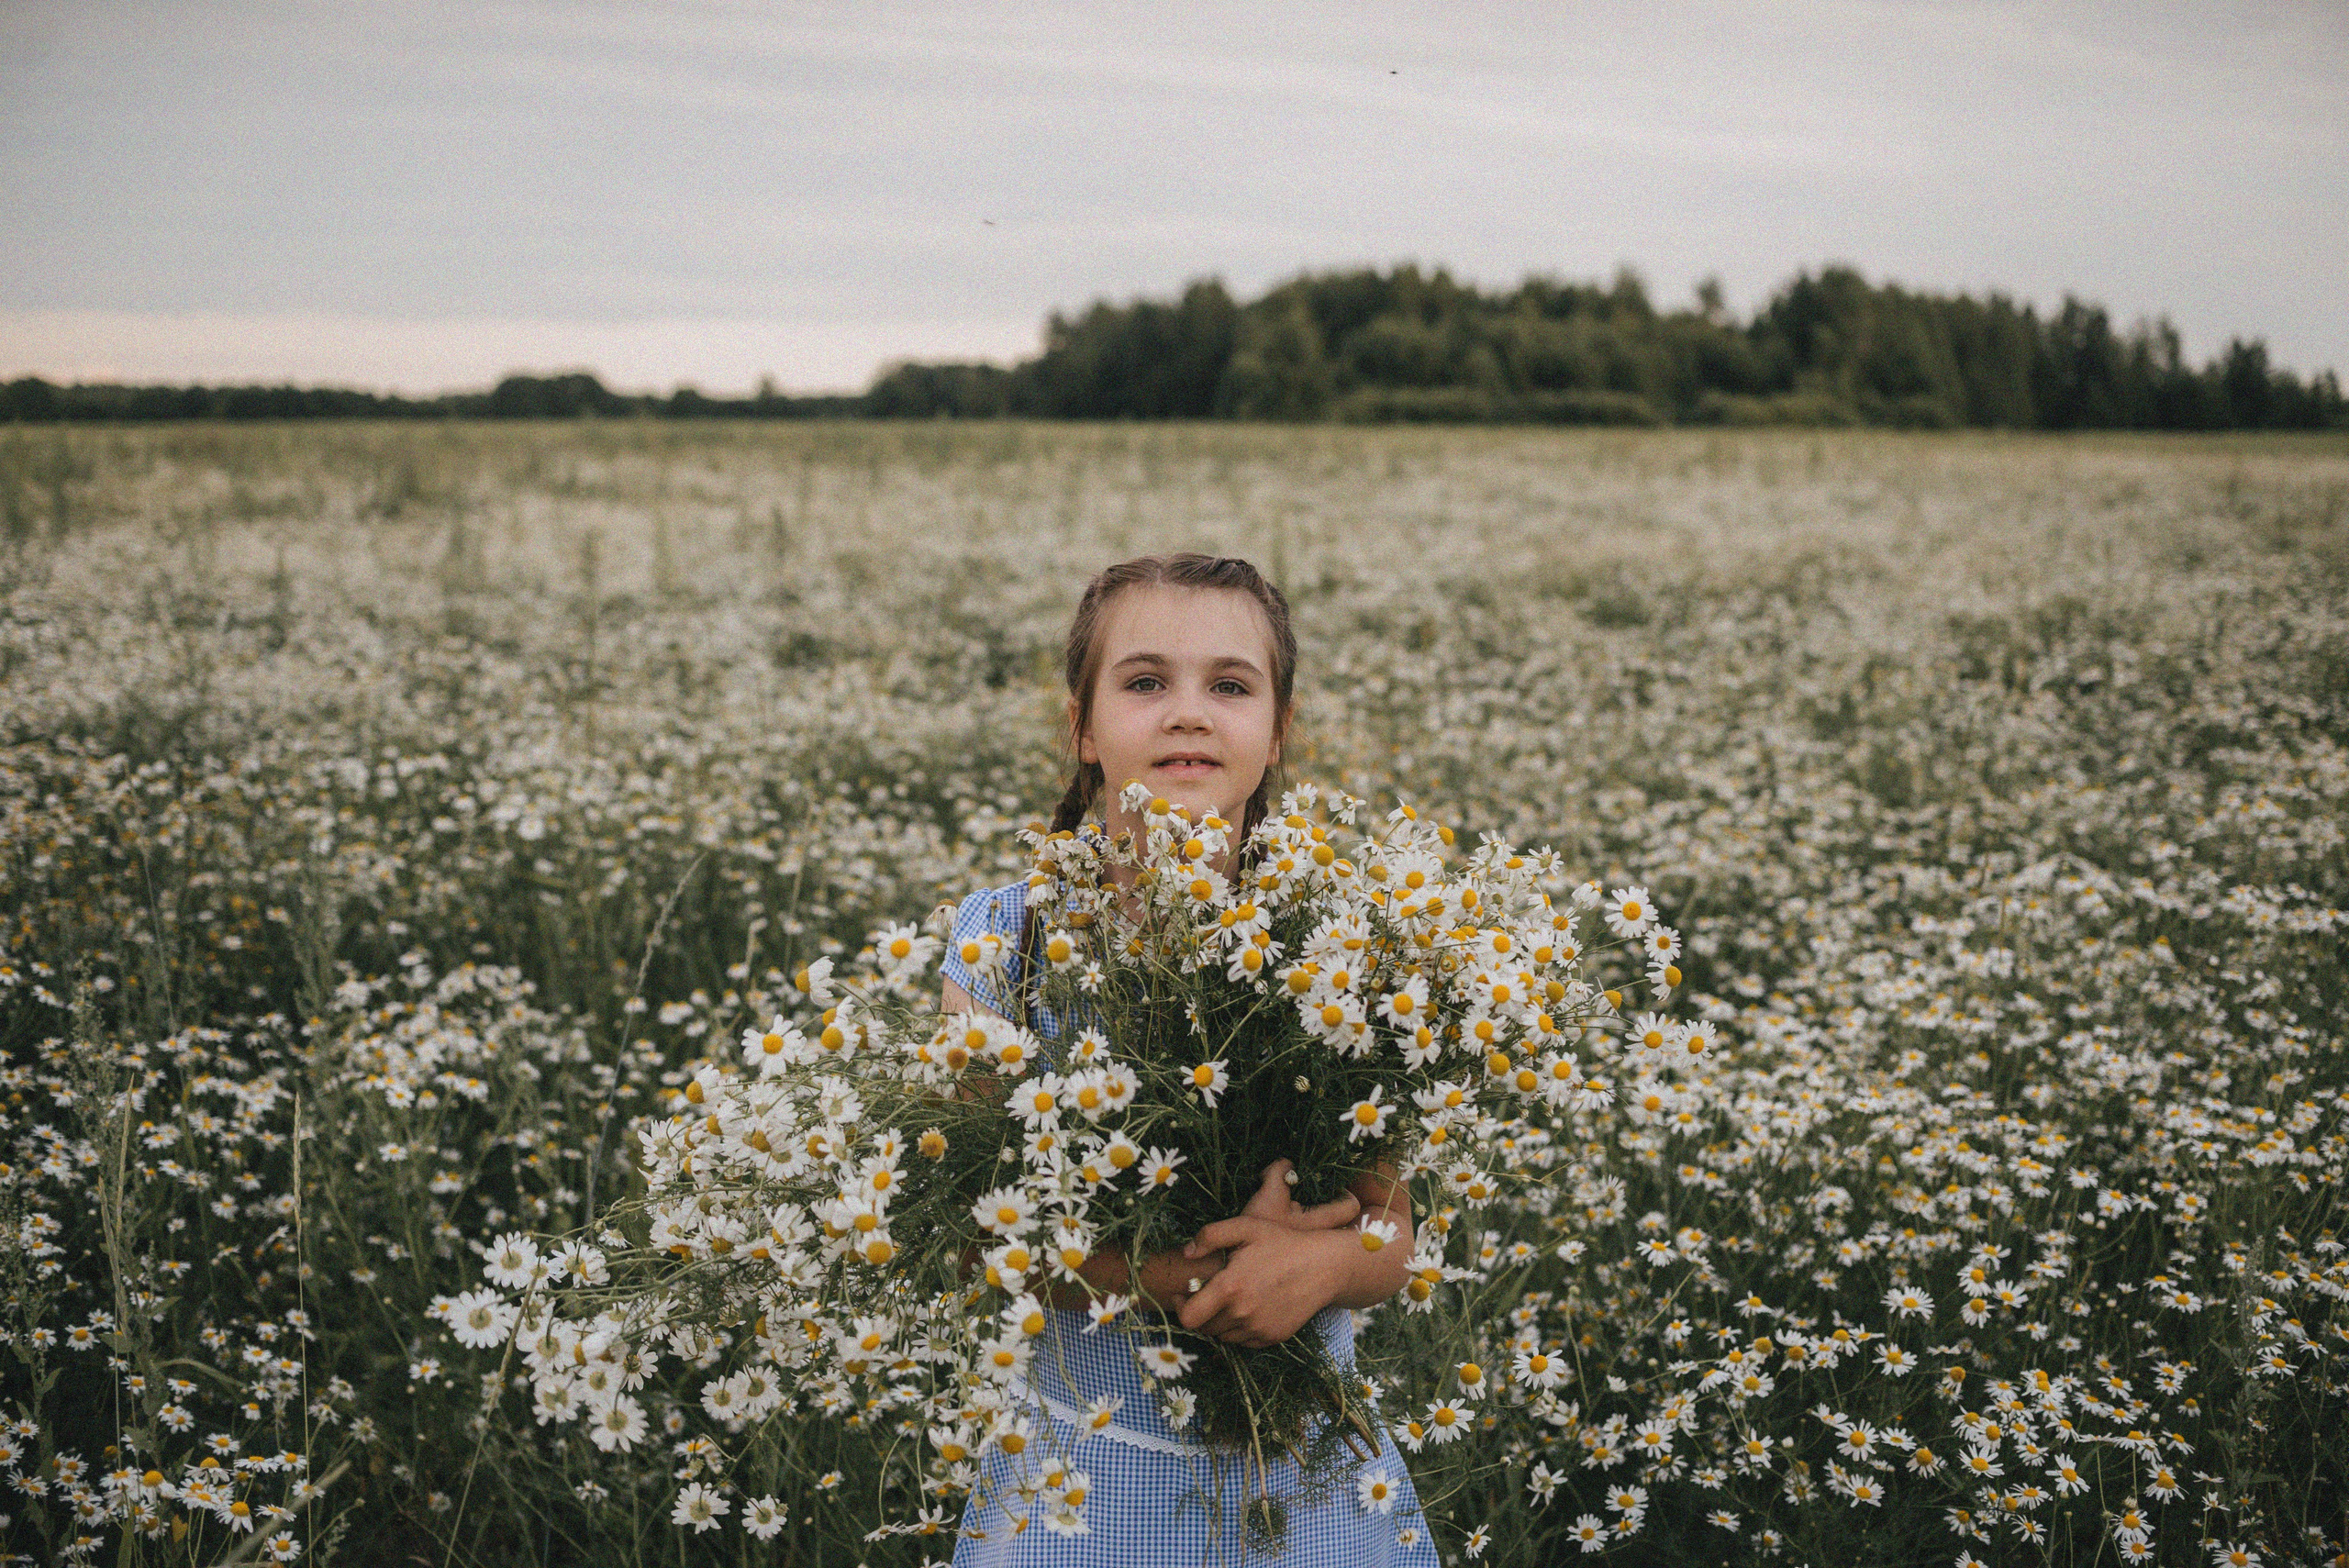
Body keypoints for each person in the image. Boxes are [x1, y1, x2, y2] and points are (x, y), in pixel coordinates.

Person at [941, 554, 1442, 1566]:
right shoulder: (1008, 941)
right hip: (1080, 1480)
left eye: (1228, 684)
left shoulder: (1350, 944)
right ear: (1083, 727)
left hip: (1313, 1481)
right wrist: (1174, 1273)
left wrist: (1328, 1261)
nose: (1187, 713)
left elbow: (1393, 1226)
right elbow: (968, 1223)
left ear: (1277, 727)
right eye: (1143, 682)